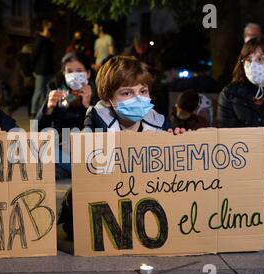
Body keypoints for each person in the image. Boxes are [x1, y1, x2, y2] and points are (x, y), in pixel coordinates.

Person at [59, 55, 185, 240]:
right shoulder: (97, 117)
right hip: (109, 194)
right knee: (75, 195)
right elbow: (86, 153)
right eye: (126, 93)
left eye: (143, 91)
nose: (138, 99)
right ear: (109, 99)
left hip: (147, 196)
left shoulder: (159, 121)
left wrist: (178, 139)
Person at [218, 36, 264, 188]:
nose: (253, 64)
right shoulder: (230, 94)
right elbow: (228, 138)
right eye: (248, 59)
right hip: (242, 171)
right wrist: (261, 171)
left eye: (261, 59)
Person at [36, 52, 97, 179]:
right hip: (59, 149)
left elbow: (104, 131)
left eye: (79, 70)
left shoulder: (98, 93)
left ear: (88, 73)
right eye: (69, 71)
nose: (74, 75)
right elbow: (37, 129)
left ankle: (74, 169)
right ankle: (76, 170)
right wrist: (48, 108)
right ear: (64, 74)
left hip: (87, 150)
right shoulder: (56, 91)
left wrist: (88, 106)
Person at [30, 19, 55, 118]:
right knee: (39, 91)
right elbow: (34, 55)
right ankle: (33, 112)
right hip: (40, 71)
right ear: (44, 28)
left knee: (45, 92)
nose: (51, 31)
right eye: (49, 28)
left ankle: (41, 112)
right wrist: (33, 70)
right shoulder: (39, 40)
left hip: (48, 71)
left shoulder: (49, 41)